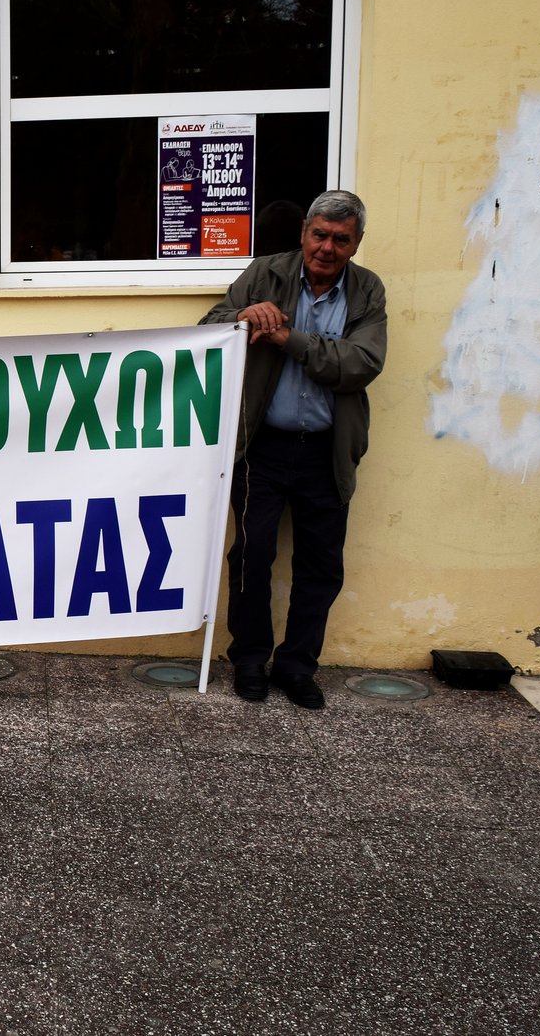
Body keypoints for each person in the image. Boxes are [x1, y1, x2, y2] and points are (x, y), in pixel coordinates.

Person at [198, 190, 387, 710]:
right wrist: (243, 316)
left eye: (340, 239)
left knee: (320, 567)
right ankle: (249, 660)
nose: (327, 247)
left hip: (328, 451)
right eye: (319, 235)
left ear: (356, 243)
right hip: (261, 448)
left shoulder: (367, 290)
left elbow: (360, 365)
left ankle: (298, 667)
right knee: (251, 556)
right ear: (304, 232)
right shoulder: (266, 272)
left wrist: (288, 339)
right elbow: (208, 330)